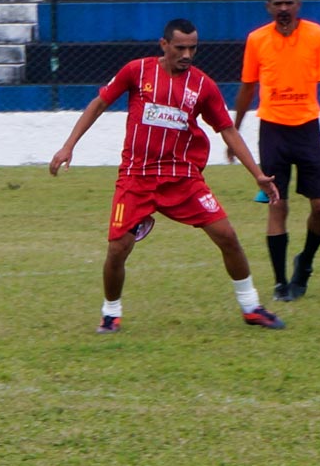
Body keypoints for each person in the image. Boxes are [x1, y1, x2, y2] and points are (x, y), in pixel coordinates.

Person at [49, 18, 285, 332]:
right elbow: (99, 103)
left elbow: (227, 130)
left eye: (193, 48)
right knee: (118, 248)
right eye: (180, 47)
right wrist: (68, 146)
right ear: (164, 45)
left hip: (182, 178)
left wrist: (257, 174)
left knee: (227, 236)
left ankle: (251, 307)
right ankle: (110, 313)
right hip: (137, 176)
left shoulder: (203, 86)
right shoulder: (137, 71)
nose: (187, 54)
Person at [229, 0, 320, 302]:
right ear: (268, 7)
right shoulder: (256, 40)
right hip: (273, 131)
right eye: (277, 3)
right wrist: (233, 129)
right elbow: (247, 87)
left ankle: (304, 263)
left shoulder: (317, 35)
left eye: (288, 3)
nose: (283, 8)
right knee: (277, 204)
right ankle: (281, 283)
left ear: (298, 5)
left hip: (307, 129)